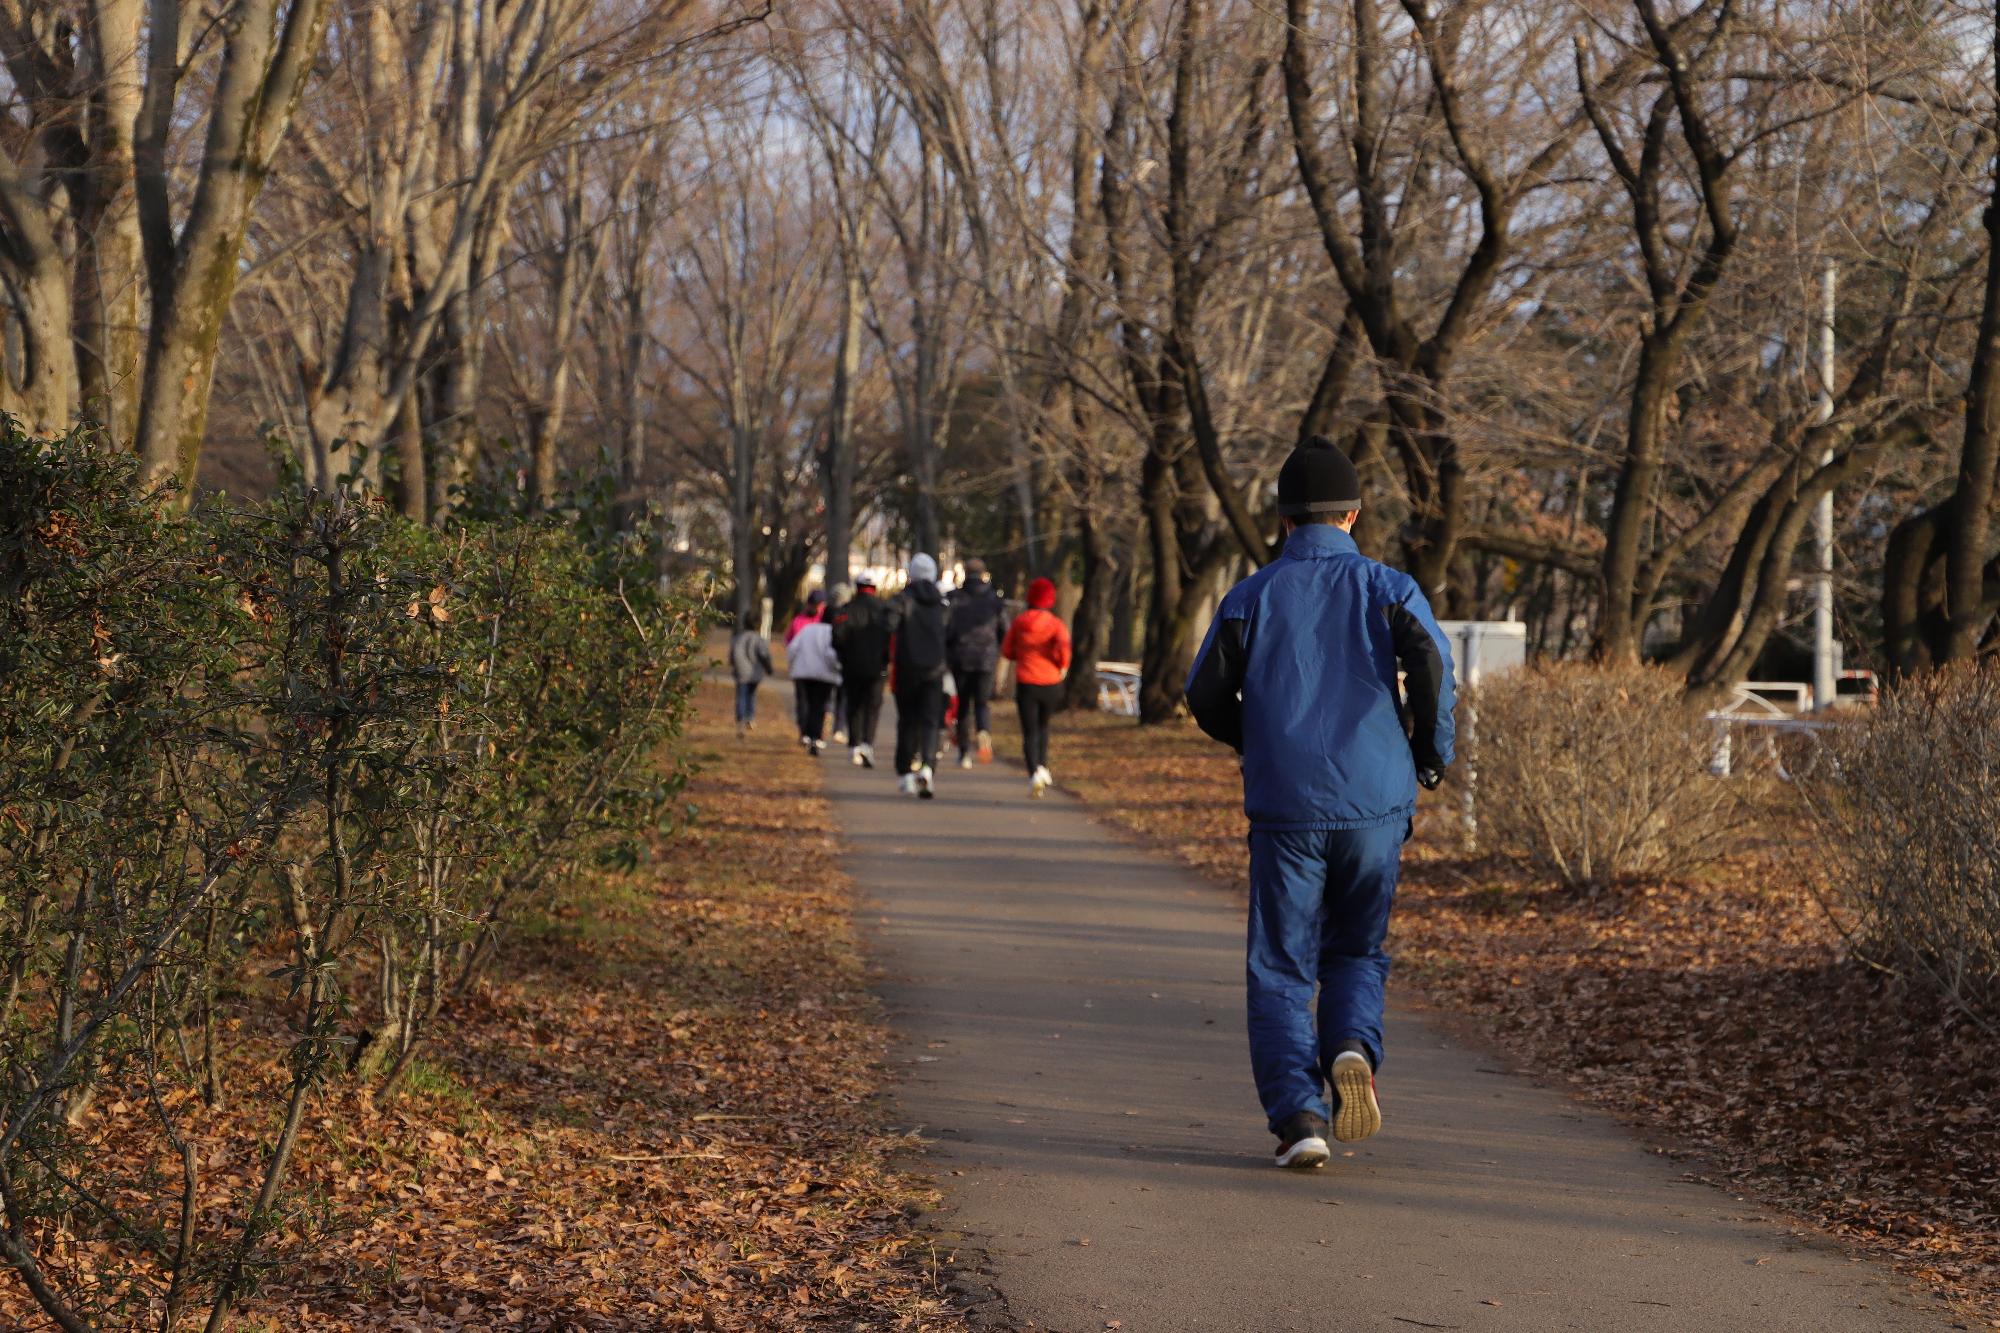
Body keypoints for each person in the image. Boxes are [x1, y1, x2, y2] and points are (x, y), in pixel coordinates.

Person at [1184, 436, 1455, 1171]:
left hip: (1287, 809)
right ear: (1355, 513)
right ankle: (1350, 1047)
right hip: (1375, 805)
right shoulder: (1389, 588)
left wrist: (1256, 738)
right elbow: (1431, 662)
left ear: (1282, 520)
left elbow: (1202, 691)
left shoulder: (1251, 595)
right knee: (1356, 949)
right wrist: (1430, 754)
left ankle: (1299, 1117)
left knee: (1280, 964)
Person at [1001, 576, 1072, 797]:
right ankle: (1043, 765)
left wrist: (1021, 655)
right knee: (1044, 726)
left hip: (1026, 682)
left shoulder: (1020, 622)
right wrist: (1061, 666)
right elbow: (1064, 650)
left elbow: (1007, 650)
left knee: (1029, 731)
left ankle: (1034, 771)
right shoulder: (1056, 624)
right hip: (1051, 683)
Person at [888, 553, 949, 798]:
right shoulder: (943, 604)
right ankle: (927, 767)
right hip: (935, 670)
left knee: (907, 721)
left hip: (907, 669)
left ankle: (905, 774)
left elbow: (888, 625)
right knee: (931, 721)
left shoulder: (902, 600)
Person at [945, 557, 1009, 768]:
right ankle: (983, 731)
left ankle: (964, 753)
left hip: (961, 658)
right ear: (983, 575)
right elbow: (1004, 630)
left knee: (963, 706)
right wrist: (996, 649)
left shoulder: (955, 598)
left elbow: (947, 630)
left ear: (965, 573)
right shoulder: (995, 601)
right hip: (986, 659)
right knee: (982, 703)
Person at [831, 573, 892, 767]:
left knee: (854, 705)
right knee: (872, 707)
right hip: (877, 668)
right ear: (875, 588)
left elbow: (837, 637)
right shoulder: (885, 611)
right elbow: (891, 638)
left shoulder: (846, 610)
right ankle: (867, 743)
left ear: (856, 587)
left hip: (851, 666)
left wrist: (844, 655)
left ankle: (854, 746)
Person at [786, 602, 842, 757]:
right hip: (825, 676)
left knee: (804, 703)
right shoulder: (832, 633)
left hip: (802, 672)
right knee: (819, 706)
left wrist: (792, 665)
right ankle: (815, 736)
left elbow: (792, 648)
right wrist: (838, 669)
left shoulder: (807, 630)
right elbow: (832, 656)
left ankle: (805, 733)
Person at [728, 612, 773, 738]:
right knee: (752, 695)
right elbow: (763, 655)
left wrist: (733, 664)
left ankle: (740, 720)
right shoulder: (759, 639)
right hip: (755, 673)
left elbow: (732, 655)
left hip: (741, 672)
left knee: (741, 696)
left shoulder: (737, 638)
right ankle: (750, 717)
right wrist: (769, 668)